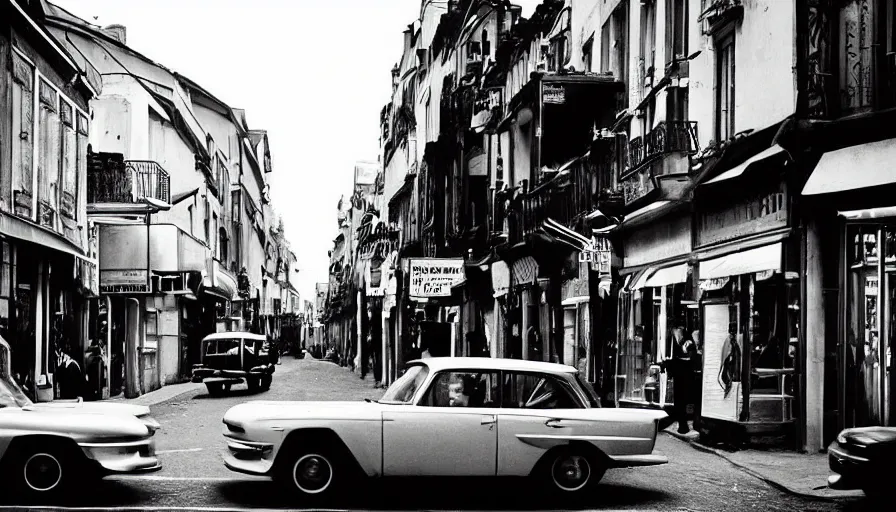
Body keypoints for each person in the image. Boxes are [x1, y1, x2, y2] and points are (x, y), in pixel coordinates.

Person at [665, 325, 698, 434]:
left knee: (681, 397)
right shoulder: (678, 336)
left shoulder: (682, 337)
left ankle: (683, 424)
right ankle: (683, 424)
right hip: (682, 369)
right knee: (681, 398)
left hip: (682, 369)